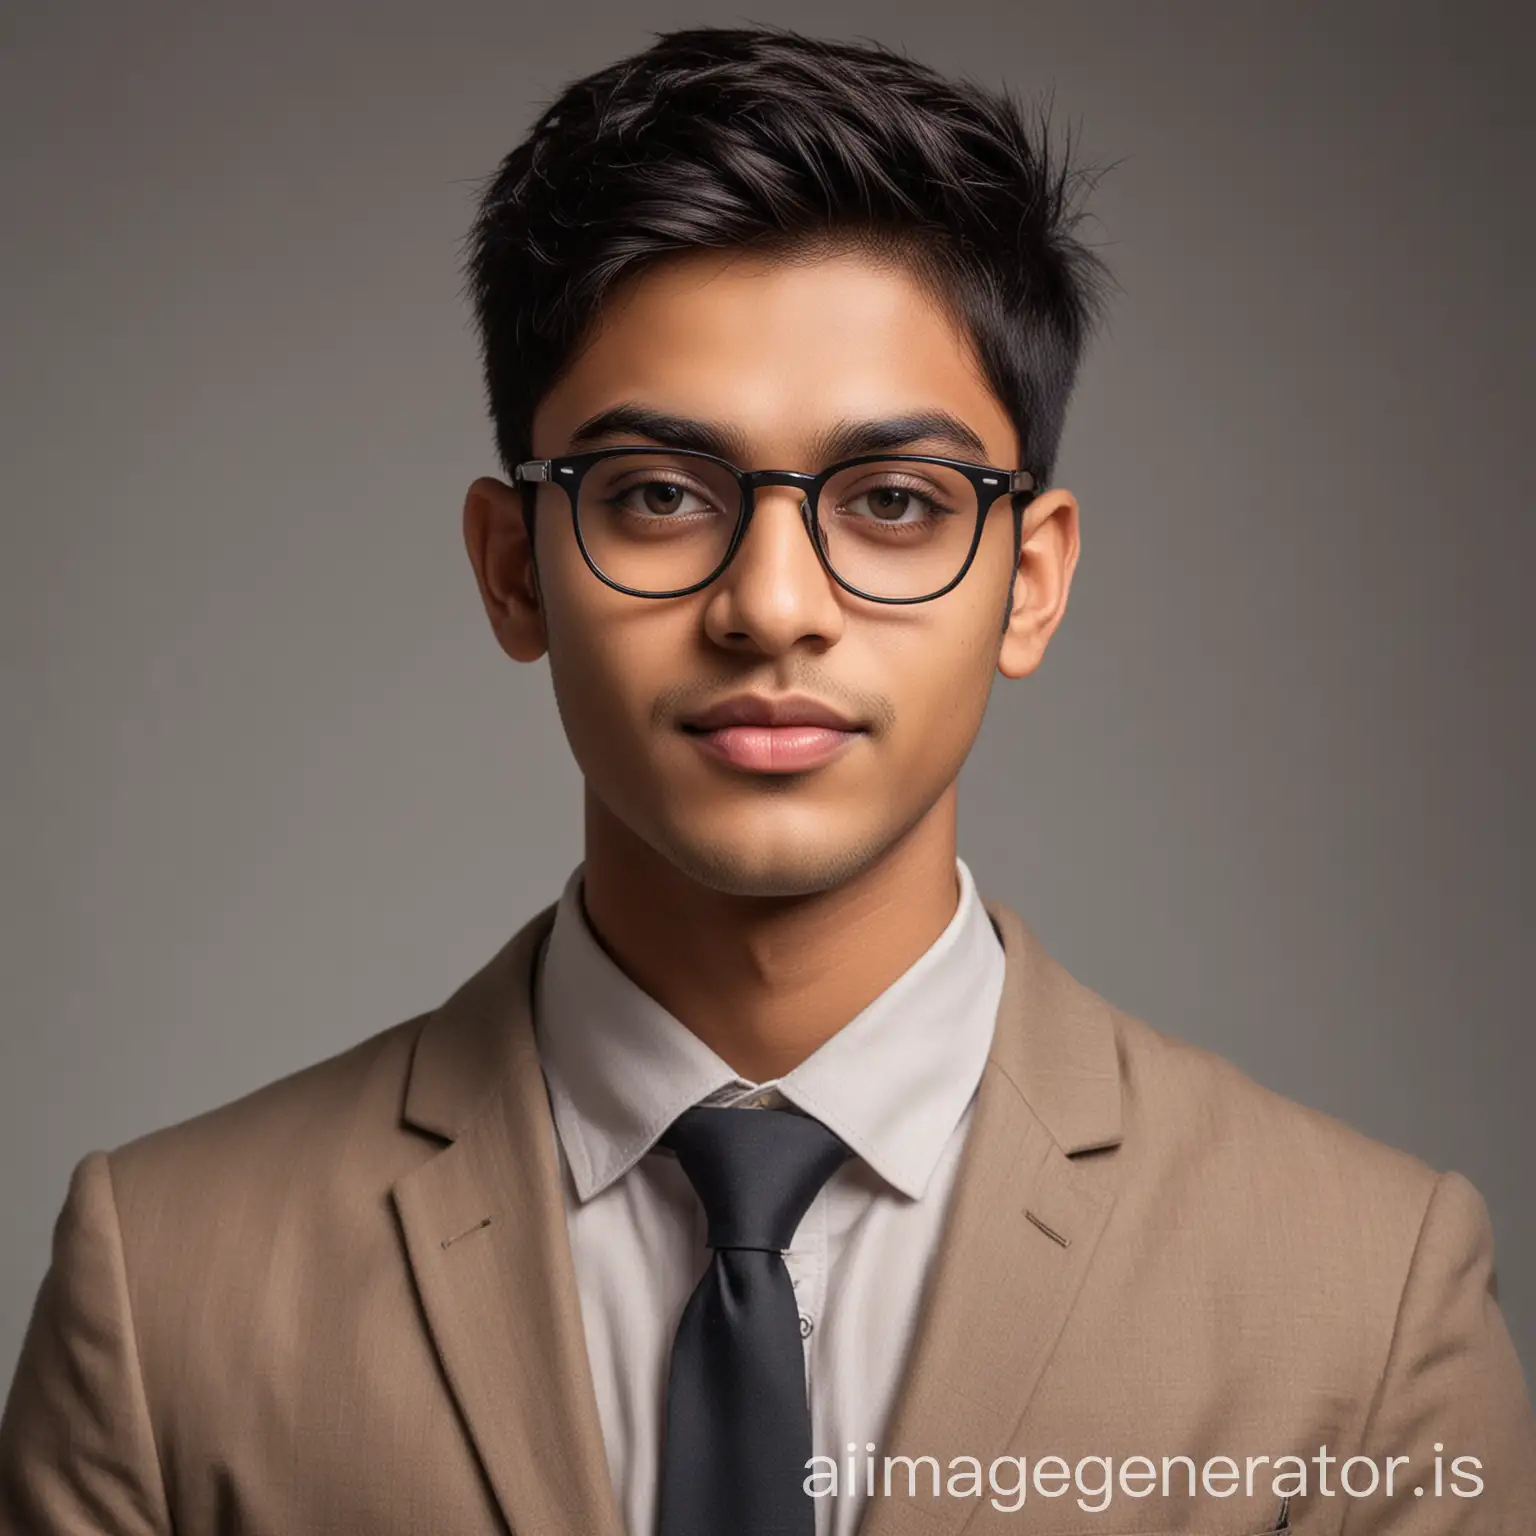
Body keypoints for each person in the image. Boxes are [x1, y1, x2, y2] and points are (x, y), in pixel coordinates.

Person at [2, 24, 1532, 1536]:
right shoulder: (169, 1290)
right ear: (510, 569)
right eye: (659, 494)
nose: (774, 603)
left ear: (1031, 581)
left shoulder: (1365, 1302)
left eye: (894, 501)